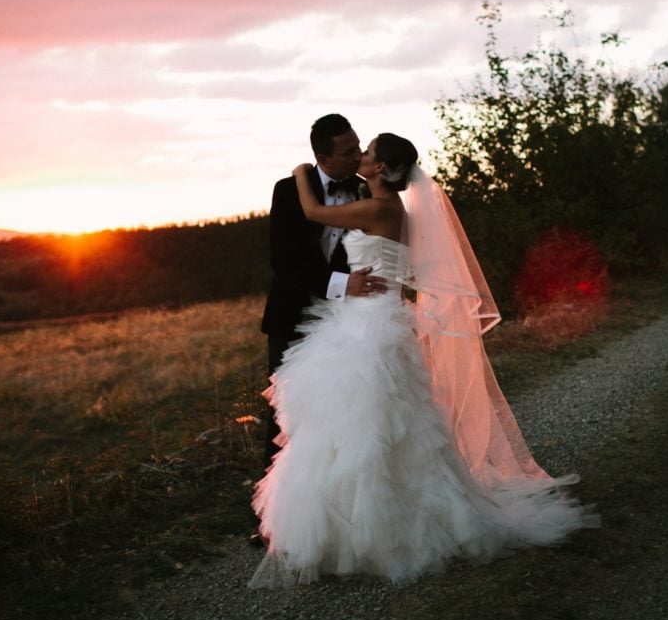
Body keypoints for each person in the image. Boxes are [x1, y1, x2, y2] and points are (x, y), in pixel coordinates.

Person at [250, 133, 596, 587]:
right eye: (355, 150)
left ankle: (370, 532)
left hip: (369, 323)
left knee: (369, 424)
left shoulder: (379, 208)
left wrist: (300, 171)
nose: (360, 157)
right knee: (376, 423)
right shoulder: (394, 208)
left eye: (367, 152)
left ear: (382, 168)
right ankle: (356, 526)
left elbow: (314, 212)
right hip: (371, 316)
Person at [254, 114, 387, 547]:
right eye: (348, 152)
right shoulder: (289, 190)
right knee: (284, 415)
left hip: (341, 323)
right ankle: (272, 526)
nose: (356, 156)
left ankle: (332, 515)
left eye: (358, 147)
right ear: (321, 156)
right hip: (294, 317)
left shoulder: (365, 192)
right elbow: (286, 262)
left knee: (335, 415)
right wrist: (341, 284)